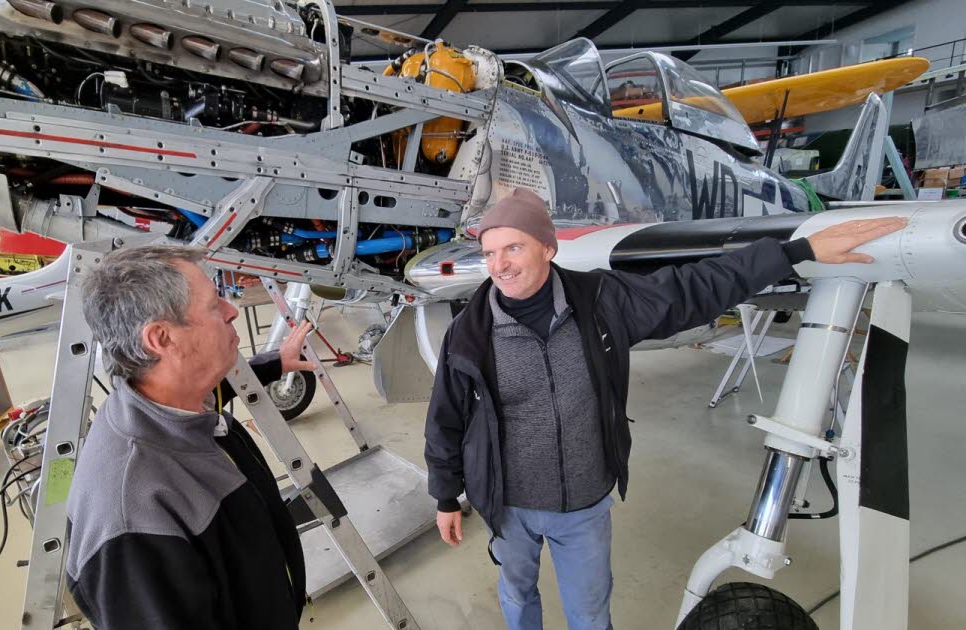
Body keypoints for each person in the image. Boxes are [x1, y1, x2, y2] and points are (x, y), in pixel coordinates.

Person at [423, 188, 907, 630]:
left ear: (547, 248)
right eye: (489, 252)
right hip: (508, 503)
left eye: (513, 248)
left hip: (584, 505)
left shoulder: (601, 302)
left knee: (590, 613)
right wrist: (447, 497)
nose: (500, 265)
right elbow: (446, 420)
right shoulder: (468, 334)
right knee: (517, 593)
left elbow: (692, 287)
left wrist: (794, 253)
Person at [65, 245, 317, 630]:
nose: (232, 309)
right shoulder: (131, 521)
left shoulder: (169, 398)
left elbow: (216, 390)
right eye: (214, 306)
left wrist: (275, 362)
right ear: (162, 339)